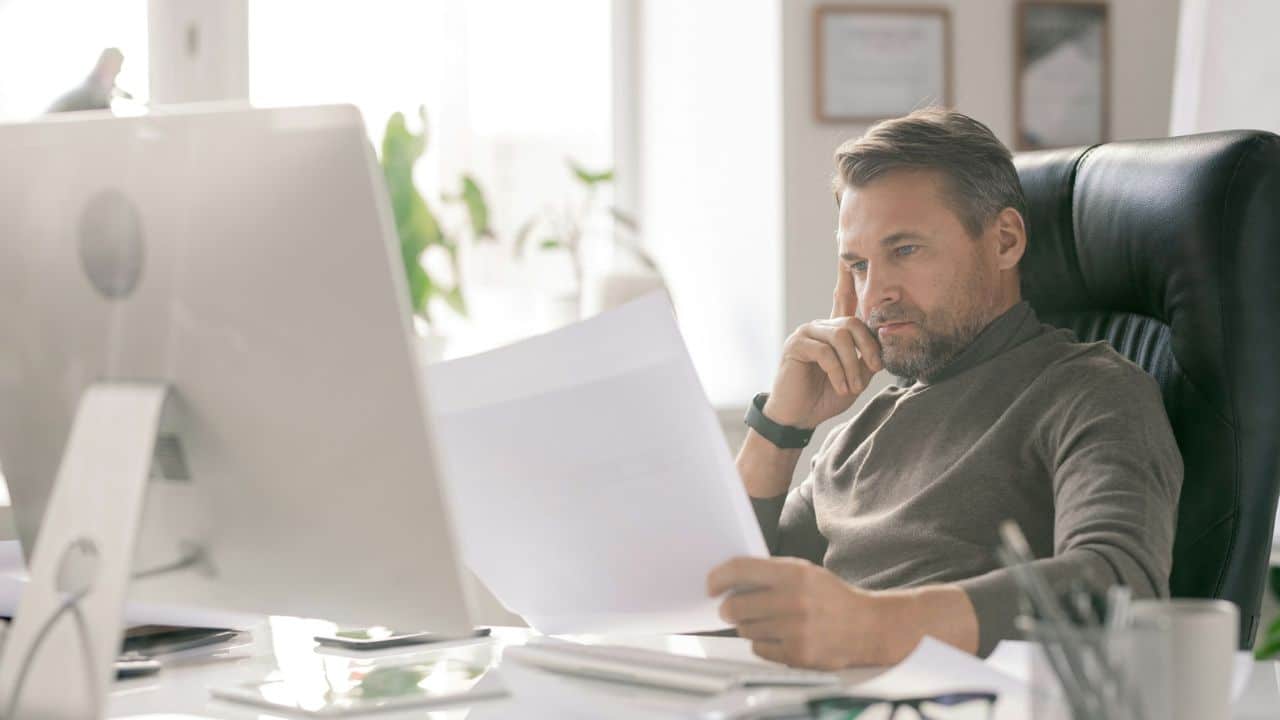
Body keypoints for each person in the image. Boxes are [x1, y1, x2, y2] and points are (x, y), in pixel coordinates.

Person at [707, 108, 1182, 669]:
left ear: (1004, 240)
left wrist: (876, 627)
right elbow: (723, 600)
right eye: (858, 265)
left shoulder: (1090, 391)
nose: (874, 293)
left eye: (904, 250)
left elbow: (1115, 584)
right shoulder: (861, 431)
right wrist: (781, 428)